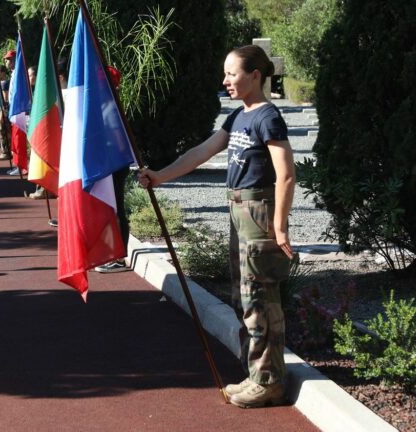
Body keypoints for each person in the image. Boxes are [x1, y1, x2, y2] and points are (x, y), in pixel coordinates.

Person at [138, 45, 295, 408]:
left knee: (260, 298)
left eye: (233, 74)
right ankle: (255, 373)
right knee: (243, 296)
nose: (226, 81)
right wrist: (160, 176)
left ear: (255, 75)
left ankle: (270, 381)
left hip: (258, 211)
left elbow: (286, 175)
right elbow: (201, 152)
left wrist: (280, 225)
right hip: (238, 210)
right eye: (225, 74)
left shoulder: (267, 117)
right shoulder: (238, 117)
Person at [94, 66, 130, 273]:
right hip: (108, 162)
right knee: (109, 207)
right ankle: (109, 252)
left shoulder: (109, 106)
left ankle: (118, 256)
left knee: (115, 208)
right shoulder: (105, 103)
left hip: (114, 163)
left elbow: (118, 140)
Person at [0, 50, 15, 163]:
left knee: (4, 129)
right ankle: (7, 151)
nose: (6, 61)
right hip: (9, 106)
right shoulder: (13, 74)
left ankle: (7, 152)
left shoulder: (16, 73)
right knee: (3, 128)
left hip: (10, 106)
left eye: (8, 59)